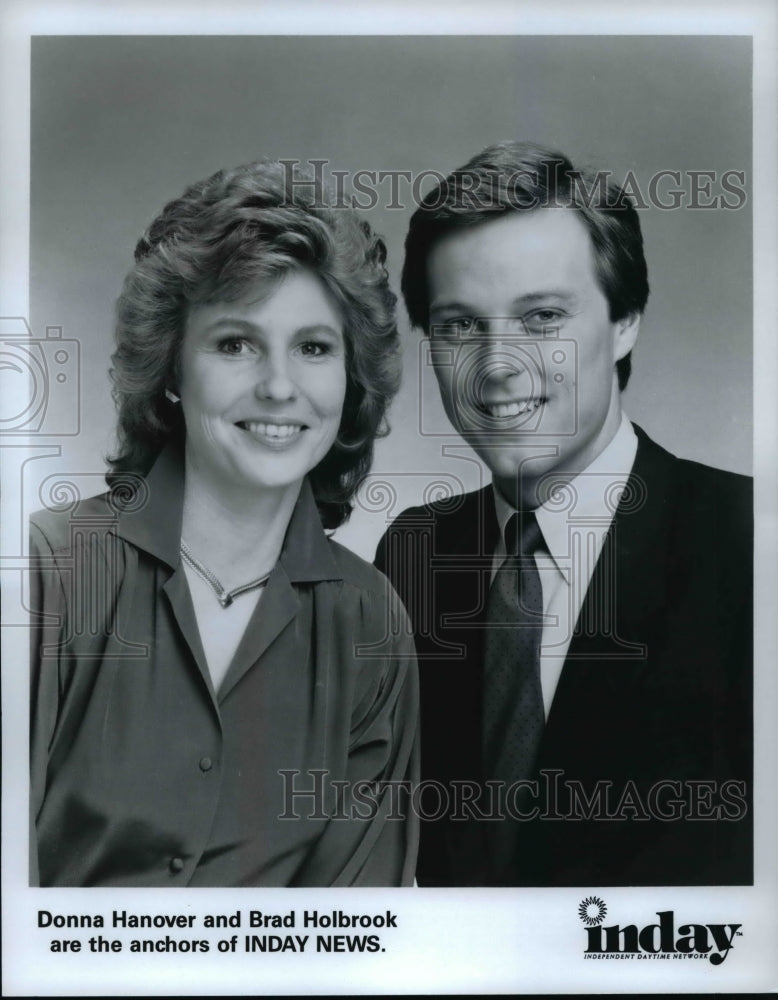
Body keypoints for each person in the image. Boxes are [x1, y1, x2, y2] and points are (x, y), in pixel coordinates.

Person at [30, 160, 419, 887]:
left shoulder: (370, 625)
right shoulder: (50, 575)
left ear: (349, 378)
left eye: (313, 347)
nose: (278, 386)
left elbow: (359, 936)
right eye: (235, 343)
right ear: (173, 369)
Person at [375, 141, 752, 886]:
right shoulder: (414, 555)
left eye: (542, 316)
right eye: (458, 326)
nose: (498, 364)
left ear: (626, 321)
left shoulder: (750, 542)